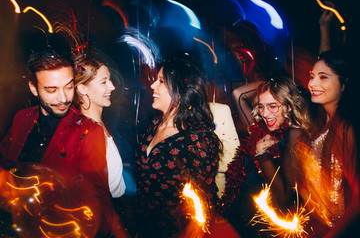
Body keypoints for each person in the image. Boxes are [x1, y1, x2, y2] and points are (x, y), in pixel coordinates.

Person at [0, 48, 128, 237]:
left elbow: (100, 199)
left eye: (69, 87)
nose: (63, 98)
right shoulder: (22, 118)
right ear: (33, 88)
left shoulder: (88, 131)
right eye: (51, 90)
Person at [135, 56, 239, 238]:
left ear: (180, 91)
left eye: (161, 81)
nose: (152, 86)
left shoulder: (197, 138)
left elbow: (204, 200)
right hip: (145, 226)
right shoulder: (153, 126)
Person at [219, 76, 311, 237]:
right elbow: (238, 93)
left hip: (265, 227)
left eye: (273, 106)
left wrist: (262, 153)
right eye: (261, 106)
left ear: (289, 107)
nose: (265, 113)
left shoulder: (294, 134)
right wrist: (272, 83)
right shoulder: (260, 129)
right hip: (241, 218)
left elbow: (283, 197)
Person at [288, 51, 360, 237]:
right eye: (312, 76)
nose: (312, 83)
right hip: (318, 226)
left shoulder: (346, 129)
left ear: (344, 85)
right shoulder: (319, 122)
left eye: (323, 77)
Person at [73, 53, 126, 199]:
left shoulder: (101, 123)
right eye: (104, 82)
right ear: (83, 89)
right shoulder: (88, 131)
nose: (112, 86)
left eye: (110, 80)